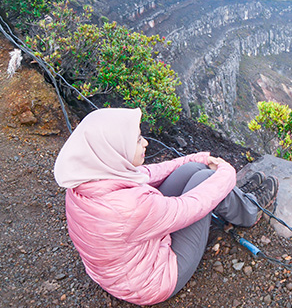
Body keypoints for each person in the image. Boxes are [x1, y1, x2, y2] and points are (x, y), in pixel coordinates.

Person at [53, 107, 278, 305]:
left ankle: (238, 198)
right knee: (206, 182)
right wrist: (227, 173)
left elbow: (149, 174)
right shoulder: (127, 207)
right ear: (116, 149)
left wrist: (197, 159)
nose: (145, 142)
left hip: (122, 267)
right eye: (138, 139)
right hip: (151, 282)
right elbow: (191, 207)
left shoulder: (91, 178)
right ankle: (250, 211)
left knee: (192, 172)